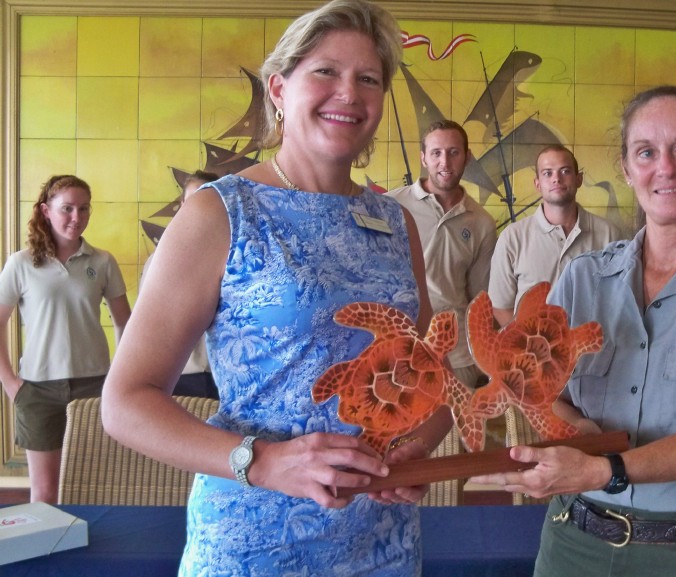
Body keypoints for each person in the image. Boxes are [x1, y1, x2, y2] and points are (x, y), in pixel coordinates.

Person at [102, 1, 453, 574]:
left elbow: (429, 380)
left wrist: (416, 446)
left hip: (384, 547)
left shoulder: (395, 223)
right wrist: (261, 461)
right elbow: (125, 404)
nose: (349, 92)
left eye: (368, 79)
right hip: (254, 546)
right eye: (325, 72)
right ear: (277, 88)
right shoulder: (221, 212)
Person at [471, 85, 676, 576]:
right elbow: (538, 390)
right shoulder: (584, 279)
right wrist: (573, 427)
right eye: (646, 152)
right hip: (575, 541)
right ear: (627, 171)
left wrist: (605, 469)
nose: (665, 168)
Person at [0, 174, 132, 503]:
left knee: (93, 488)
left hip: (93, 388)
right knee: (44, 491)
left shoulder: (102, 261)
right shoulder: (20, 264)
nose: (77, 218)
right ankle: (46, 553)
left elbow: (124, 323)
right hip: (37, 391)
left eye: (84, 209)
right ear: (46, 210)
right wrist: (10, 384)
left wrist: (120, 375)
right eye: (67, 209)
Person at [386, 120, 497, 387]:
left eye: (454, 152)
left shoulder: (482, 222)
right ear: (423, 158)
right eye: (436, 153)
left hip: (457, 358)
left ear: (467, 157)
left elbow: (480, 300)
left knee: (459, 429)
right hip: (398, 352)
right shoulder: (390, 207)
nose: (445, 162)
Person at [488, 145, 625, 327]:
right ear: (537, 184)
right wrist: (529, 345)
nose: (556, 179)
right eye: (547, 173)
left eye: (565, 171)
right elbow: (500, 307)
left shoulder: (610, 235)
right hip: (534, 353)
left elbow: (617, 303)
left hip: (592, 352)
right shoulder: (512, 238)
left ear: (579, 179)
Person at [138, 169, 219, 399]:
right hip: (180, 376)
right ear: (182, 204)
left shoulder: (236, 257)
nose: (200, 208)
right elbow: (149, 321)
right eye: (193, 200)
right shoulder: (160, 260)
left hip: (224, 375)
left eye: (208, 200)